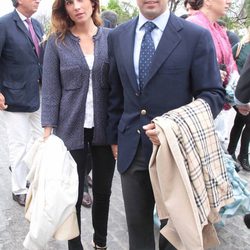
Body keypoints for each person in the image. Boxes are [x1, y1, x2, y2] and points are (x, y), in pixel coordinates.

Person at [106, 0, 225, 249]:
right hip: (132, 149)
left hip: (175, 152)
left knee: (174, 234)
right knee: (137, 233)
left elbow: (212, 94)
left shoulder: (195, 36)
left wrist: (172, 127)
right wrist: (114, 137)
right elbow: (114, 92)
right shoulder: (118, 36)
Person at [41, 0, 115, 249]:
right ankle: (75, 245)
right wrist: (48, 129)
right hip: (70, 126)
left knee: (103, 191)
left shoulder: (112, 39)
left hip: (105, 128)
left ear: (93, 4)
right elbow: (50, 88)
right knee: (71, 192)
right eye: (69, 2)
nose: (76, 6)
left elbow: (120, 86)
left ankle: (100, 242)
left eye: (81, 0)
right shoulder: (57, 42)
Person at [0, 0, 44, 206]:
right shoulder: (4, 24)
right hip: (12, 97)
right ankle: (18, 189)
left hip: (37, 94)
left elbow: (38, 59)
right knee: (19, 144)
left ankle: (33, 179)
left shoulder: (37, 25)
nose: (38, 0)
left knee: (39, 141)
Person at [187, 0, 238, 150]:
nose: (229, 2)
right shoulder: (192, 25)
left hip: (218, 101)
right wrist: (209, 73)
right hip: (197, 106)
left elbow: (230, 64)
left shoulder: (218, 29)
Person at [227, 28, 250, 170]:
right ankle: (232, 152)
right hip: (240, 91)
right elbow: (230, 64)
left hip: (246, 92)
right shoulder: (240, 47)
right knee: (240, 122)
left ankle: (243, 155)